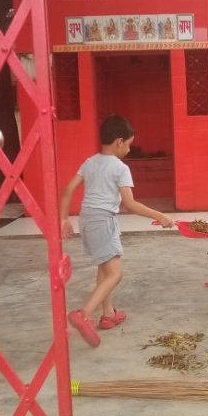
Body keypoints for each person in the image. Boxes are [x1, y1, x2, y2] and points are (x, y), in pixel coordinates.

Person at [60, 114, 174, 347]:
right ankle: (84, 314)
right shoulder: (120, 168)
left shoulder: (90, 162)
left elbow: (68, 188)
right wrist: (160, 216)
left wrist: (64, 219)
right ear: (119, 142)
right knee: (115, 274)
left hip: (87, 220)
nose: (130, 150)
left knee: (104, 268)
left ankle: (109, 314)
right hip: (103, 221)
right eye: (129, 145)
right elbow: (130, 204)